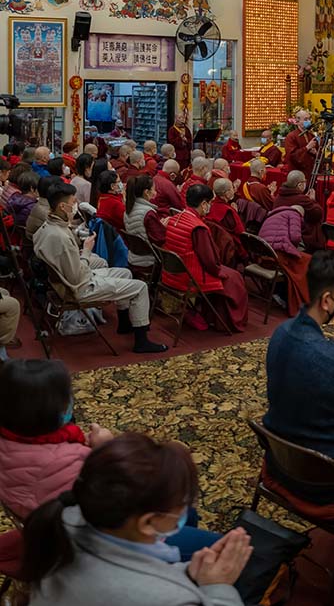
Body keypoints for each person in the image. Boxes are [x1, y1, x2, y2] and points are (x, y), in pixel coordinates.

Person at [21, 433, 251, 606]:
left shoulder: (62, 520)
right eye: (182, 504)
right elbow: (140, 590)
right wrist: (218, 588)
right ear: (147, 523)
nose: (186, 510)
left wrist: (189, 574)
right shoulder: (169, 599)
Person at [264, 249, 334, 499]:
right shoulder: (331, 361)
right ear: (326, 300)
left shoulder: (281, 333)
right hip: (325, 479)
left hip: (280, 460)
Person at [33, 182, 165, 354]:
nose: (76, 204)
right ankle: (142, 341)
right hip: (78, 288)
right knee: (140, 287)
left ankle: (125, 323)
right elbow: (75, 277)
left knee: (125, 272)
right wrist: (87, 252)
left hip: (66, 281)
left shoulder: (48, 226)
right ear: (62, 206)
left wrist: (83, 253)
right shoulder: (60, 236)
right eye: (73, 202)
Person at [0, 359, 114, 519]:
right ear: (53, 407)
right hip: (61, 525)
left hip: (26, 505)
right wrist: (104, 449)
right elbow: (111, 488)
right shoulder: (66, 459)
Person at [162, 185, 249, 333]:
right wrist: (220, 271)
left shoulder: (175, 218)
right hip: (190, 278)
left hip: (171, 275)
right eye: (210, 202)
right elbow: (210, 262)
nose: (210, 206)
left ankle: (211, 316)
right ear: (203, 204)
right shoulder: (198, 227)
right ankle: (229, 322)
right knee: (235, 278)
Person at [257, 204, 310, 313]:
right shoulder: (295, 214)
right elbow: (295, 237)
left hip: (262, 256)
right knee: (307, 261)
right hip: (277, 257)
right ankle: (295, 298)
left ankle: (277, 290)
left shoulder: (273, 214)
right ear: (301, 214)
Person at [273, 169, 324, 251]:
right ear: (300, 185)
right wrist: (312, 200)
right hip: (299, 237)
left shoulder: (279, 196)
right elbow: (318, 214)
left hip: (278, 233)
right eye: (305, 182)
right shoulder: (301, 199)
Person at [123, 175, 165, 267]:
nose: (155, 192)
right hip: (149, 260)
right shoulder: (148, 213)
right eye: (154, 189)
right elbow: (160, 239)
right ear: (146, 192)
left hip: (133, 257)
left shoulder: (127, 210)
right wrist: (163, 227)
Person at [282, 109, 317, 174]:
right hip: (297, 172)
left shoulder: (311, 135)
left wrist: (315, 152)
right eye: (306, 119)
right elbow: (291, 156)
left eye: (309, 119)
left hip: (310, 171)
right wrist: (307, 148)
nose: (309, 121)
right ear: (297, 121)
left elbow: (319, 153)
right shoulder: (291, 136)